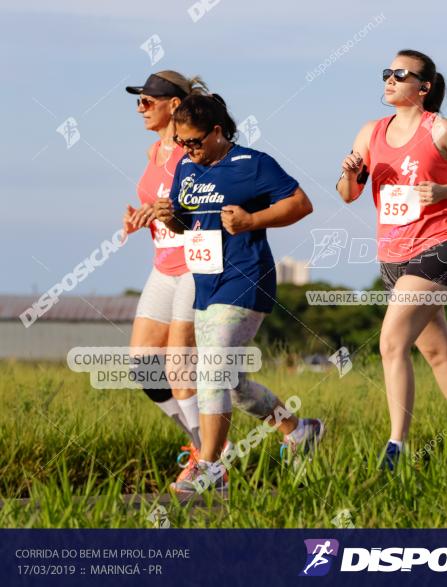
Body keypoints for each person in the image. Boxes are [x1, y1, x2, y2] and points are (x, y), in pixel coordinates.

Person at [336, 49, 447, 470]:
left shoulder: (443, 129)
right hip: (392, 256)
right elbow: (348, 194)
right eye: (387, 72)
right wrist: (352, 173)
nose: (389, 79)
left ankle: (396, 448)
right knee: (439, 353)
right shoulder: (369, 132)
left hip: (438, 248)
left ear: (423, 87)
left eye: (400, 74)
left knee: (391, 342)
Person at [154, 93, 324, 496]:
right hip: (207, 282)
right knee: (234, 384)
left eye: (194, 141)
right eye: (181, 142)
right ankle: (299, 430)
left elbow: (301, 204)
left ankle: (209, 466)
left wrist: (253, 219)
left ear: (217, 132)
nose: (187, 149)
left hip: (246, 277)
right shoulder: (186, 168)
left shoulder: (253, 164)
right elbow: (186, 222)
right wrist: (170, 218)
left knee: (211, 369)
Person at [123, 71, 227, 484]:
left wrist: (171, 210)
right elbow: (156, 204)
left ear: (173, 105)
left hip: (196, 262)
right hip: (162, 264)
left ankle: (210, 465)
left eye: (147, 101)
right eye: (138, 102)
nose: (140, 109)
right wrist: (140, 219)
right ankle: (203, 447)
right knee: (143, 364)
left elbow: (210, 200)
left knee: (179, 358)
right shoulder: (153, 152)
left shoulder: (195, 152)